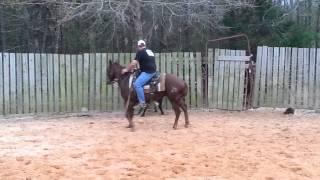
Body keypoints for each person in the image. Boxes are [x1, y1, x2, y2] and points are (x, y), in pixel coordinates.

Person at [121, 40, 156, 109]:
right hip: (153, 71)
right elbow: (147, 62)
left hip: (148, 72)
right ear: (144, 45)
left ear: (139, 46)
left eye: (138, 46)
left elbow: (134, 63)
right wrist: (138, 69)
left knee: (137, 84)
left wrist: (126, 69)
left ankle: (142, 103)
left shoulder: (140, 51)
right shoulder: (150, 51)